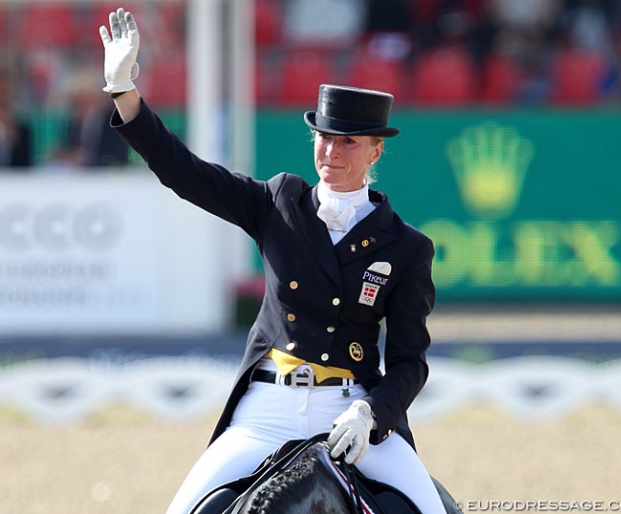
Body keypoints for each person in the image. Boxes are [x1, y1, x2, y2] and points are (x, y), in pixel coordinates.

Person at [99, 8, 446, 514]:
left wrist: (371, 413)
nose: (332, 151)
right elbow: (184, 171)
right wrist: (124, 91)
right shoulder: (279, 203)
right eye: (325, 138)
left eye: (349, 141)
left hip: (349, 408)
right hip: (269, 410)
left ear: (375, 153)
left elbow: (410, 362)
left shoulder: (407, 247)